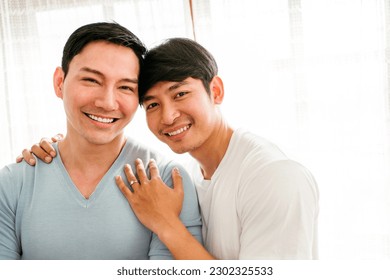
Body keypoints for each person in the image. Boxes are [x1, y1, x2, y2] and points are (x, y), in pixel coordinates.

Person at [18, 38, 319, 260]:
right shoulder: (188, 172)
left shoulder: (274, 177)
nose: (168, 116)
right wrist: (66, 150)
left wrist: (165, 223)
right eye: (152, 104)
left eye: (181, 94)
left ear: (215, 91)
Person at [0, 24, 202, 260]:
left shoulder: (168, 181)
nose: (107, 103)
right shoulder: (13, 183)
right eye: (92, 80)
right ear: (59, 82)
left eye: (125, 87)